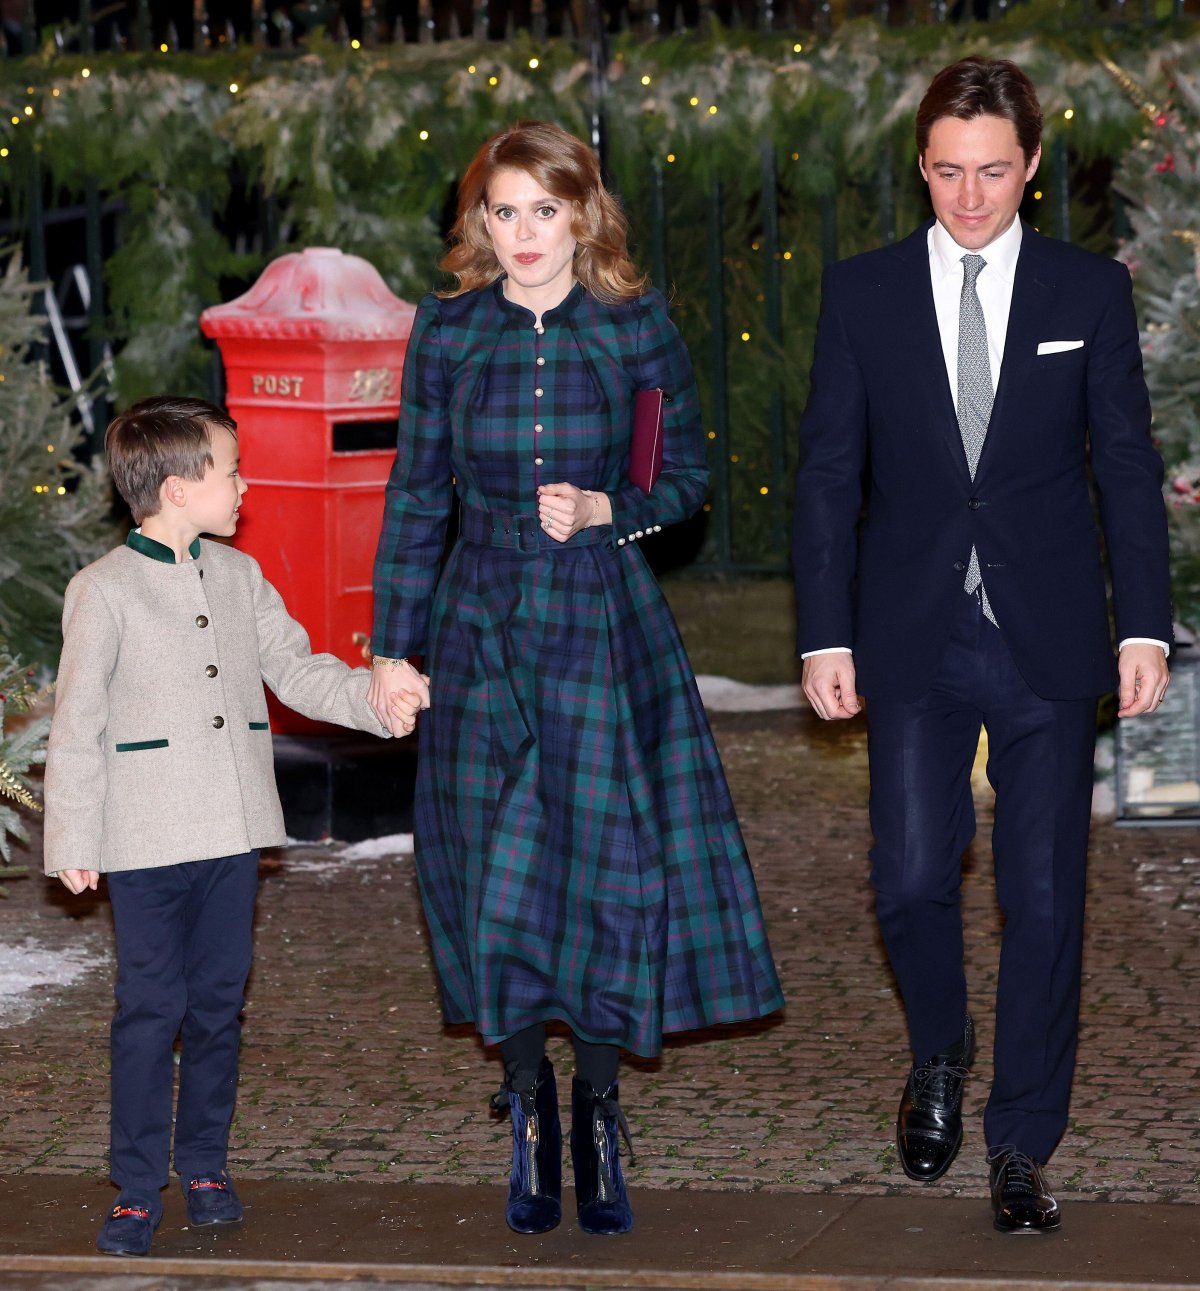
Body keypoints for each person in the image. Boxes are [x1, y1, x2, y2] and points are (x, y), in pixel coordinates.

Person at [369, 119, 783, 1238]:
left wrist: (610, 508)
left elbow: (684, 476)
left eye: (544, 211)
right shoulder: (448, 330)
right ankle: (531, 1108)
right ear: (480, 222)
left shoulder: (630, 324)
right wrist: (392, 650)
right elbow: (416, 496)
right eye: (502, 212)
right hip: (481, 619)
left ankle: (597, 1106)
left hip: (601, 621)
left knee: (604, 872)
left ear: (583, 214)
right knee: (491, 873)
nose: (523, 234)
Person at [792, 57, 1171, 1235]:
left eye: (994, 172)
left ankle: (1021, 1140)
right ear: (922, 167)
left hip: (1048, 634)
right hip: (910, 626)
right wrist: (822, 633)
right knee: (909, 878)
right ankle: (941, 1047)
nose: (970, 197)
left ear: (1035, 167)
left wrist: (1146, 621)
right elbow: (827, 475)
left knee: (1045, 899)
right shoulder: (863, 294)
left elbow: (1124, 466)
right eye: (949, 172)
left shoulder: (1086, 291)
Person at [43, 397, 423, 1257]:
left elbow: (294, 666)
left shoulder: (238, 575)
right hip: (142, 839)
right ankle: (137, 1185)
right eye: (230, 470)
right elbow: (77, 722)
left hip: (231, 833)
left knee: (217, 1004)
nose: (244, 485)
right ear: (179, 489)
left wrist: (374, 695)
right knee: (152, 1006)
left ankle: (205, 1163)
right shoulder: (102, 590)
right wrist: (71, 840)